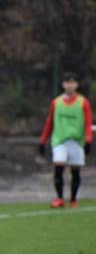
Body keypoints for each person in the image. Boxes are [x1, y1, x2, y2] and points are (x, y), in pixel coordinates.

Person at [39, 72, 92, 208]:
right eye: (67, 82)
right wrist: (43, 140)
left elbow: (88, 122)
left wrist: (88, 140)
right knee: (59, 165)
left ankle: (73, 199)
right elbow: (49, 122)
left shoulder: (83, 102)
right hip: (60, 140)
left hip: (76, 141)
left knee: (75, 170)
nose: (70, 85)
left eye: (73, 82)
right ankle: (59, 198)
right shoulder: (56, 102)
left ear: (76, 85)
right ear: (63, 84)